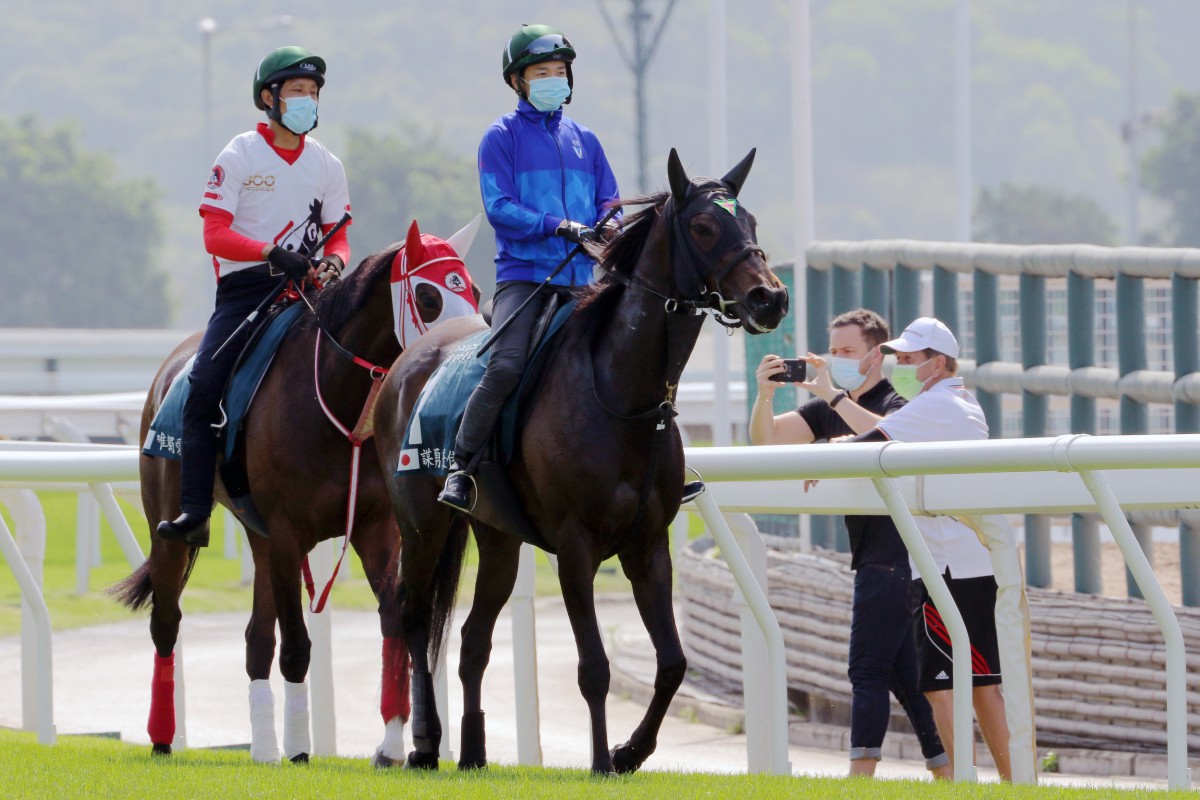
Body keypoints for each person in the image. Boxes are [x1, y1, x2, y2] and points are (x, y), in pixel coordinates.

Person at [157, 46, 351, 546]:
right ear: (269, 98)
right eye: (296, 92)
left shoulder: (327, 163)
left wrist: (335, 261)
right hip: (246, 294)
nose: (307, 101)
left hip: (308, 290)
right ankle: (195, 510)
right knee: (203, 388)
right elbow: (214, 234)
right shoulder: (240, 153)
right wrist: (270, 253)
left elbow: (339, 234)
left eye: (312, 93)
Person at [749, 308, 950, 779]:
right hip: (875, 559)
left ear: (875, 355)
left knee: (865, 670)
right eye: (832, 351)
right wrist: (764, 396)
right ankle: (950, 773)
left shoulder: (900, 405)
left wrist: (834, 424)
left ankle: (859, 780)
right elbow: (767, 441)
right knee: (903, 678)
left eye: (846, 352)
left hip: (898, 557)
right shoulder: (826, 407)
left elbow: (882, 437)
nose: (835, 359)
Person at [438, 23, 625, 511]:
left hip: (584, 283)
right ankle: (460, 468)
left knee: (634, 356)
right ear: (518, 81)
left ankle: (657, 466)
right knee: (505, 367)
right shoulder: (500, 137)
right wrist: (560, 226)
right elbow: (499, 207)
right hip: (525, 280)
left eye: (559, 72)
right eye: (541, 72)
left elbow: (611, 200)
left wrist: (609, 225)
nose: (553, 80)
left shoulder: (586, 139)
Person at [848, 316, 1012, 781]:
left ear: (936, 363)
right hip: (964, 561)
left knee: (945, 689)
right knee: (982, 686)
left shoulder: (936, 404)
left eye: (908, 358)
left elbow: (868, 446)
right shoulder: (953, 401)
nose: (899, 364)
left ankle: (966, 783)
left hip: (948, 568)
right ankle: (1011, 783)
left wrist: (826, 459)